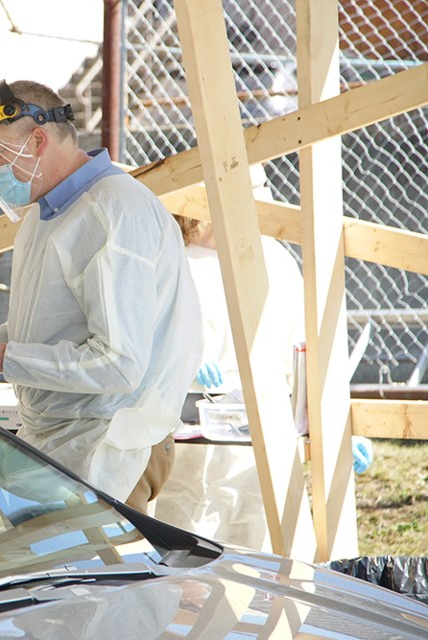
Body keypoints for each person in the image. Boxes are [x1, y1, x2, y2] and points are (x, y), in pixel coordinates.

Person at [0, 79, 202, 512]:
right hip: (61, 444)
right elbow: (46, 327)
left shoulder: (115, 211)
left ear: (37, 140)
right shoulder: (45, 215)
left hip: (112, 446)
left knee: (97, 580)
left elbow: (118, 364)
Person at [153, 164, 373, 550]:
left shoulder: (276, 263)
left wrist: (338, 425)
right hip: (185, 446)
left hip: (259, 448)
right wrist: (182, 368)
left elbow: (305, 356)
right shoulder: (170, 260)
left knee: (260, 559)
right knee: (185, 570)